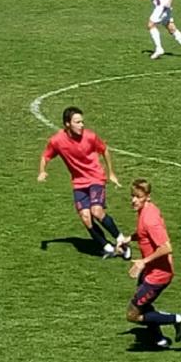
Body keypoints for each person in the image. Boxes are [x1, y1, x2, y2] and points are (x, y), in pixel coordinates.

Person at [38, 106, 131, 259]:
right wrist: (42, 171)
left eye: (82, 121)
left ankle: (121, 240)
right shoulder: (57, 141)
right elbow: (45, 156)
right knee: (86, 217)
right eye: (77, 122)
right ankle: (108, 248)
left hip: (95, 178)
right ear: (67, 124)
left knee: (96, 211)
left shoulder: (90, 137)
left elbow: (104, 150)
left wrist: (111, 173)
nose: (81, 125)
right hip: (79, 183)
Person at [116, 179, 181, 349]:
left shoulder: (150, 219)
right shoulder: (145, 211)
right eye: (132, 196)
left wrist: (143, 261)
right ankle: (160, 339)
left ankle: (177, 319)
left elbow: (166, 247)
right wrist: (130, 238)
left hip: (158, 274)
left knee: (133, 314)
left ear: (147, 197)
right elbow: (143, 235)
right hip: (151, 270)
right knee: (143, 303)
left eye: (138, 197)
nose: (133, 200)